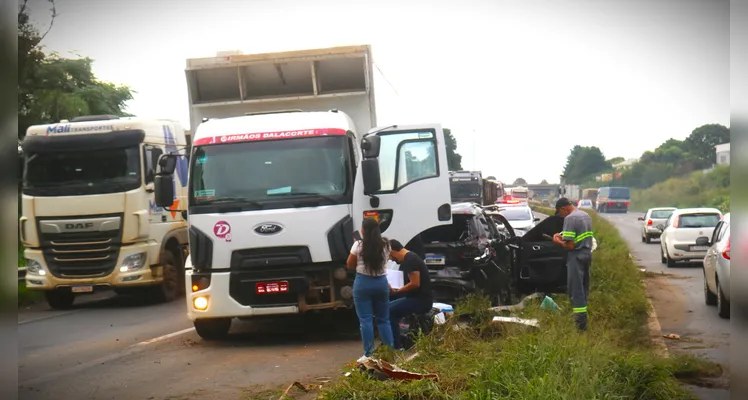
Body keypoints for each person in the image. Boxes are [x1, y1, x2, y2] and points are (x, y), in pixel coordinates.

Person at [346, 217, 394, 360]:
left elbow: (349, 264)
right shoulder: (386, 245)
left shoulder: (358, 246)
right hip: (381, 283)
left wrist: (356, 248)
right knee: (384, 319)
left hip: (363, 283)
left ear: (363, 230)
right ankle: (390, 352)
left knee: (365, 320)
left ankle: (369, 354)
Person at [552, 197, 594, 332]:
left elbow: (570, 245)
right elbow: (579, 235)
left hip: (575, 257)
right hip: (587, 254)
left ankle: (580, 326)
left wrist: (557, 241)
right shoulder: (585, 215)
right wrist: (562, 235)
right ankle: (584, 319)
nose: (561, 215)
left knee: (576, 291)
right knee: (584, 288)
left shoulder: (570, 218)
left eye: (560, 212)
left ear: (564, 208)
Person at [388, 239, 434, 350]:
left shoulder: (410, 260)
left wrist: (397, 291)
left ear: (393, 251)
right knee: (386, 307)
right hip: (415, 297)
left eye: (390, 256)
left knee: (390, 312)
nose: (391, 260)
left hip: (421, 300)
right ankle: (393, 340)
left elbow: (415, 283)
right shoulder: (410, 258)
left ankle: (395, 346)